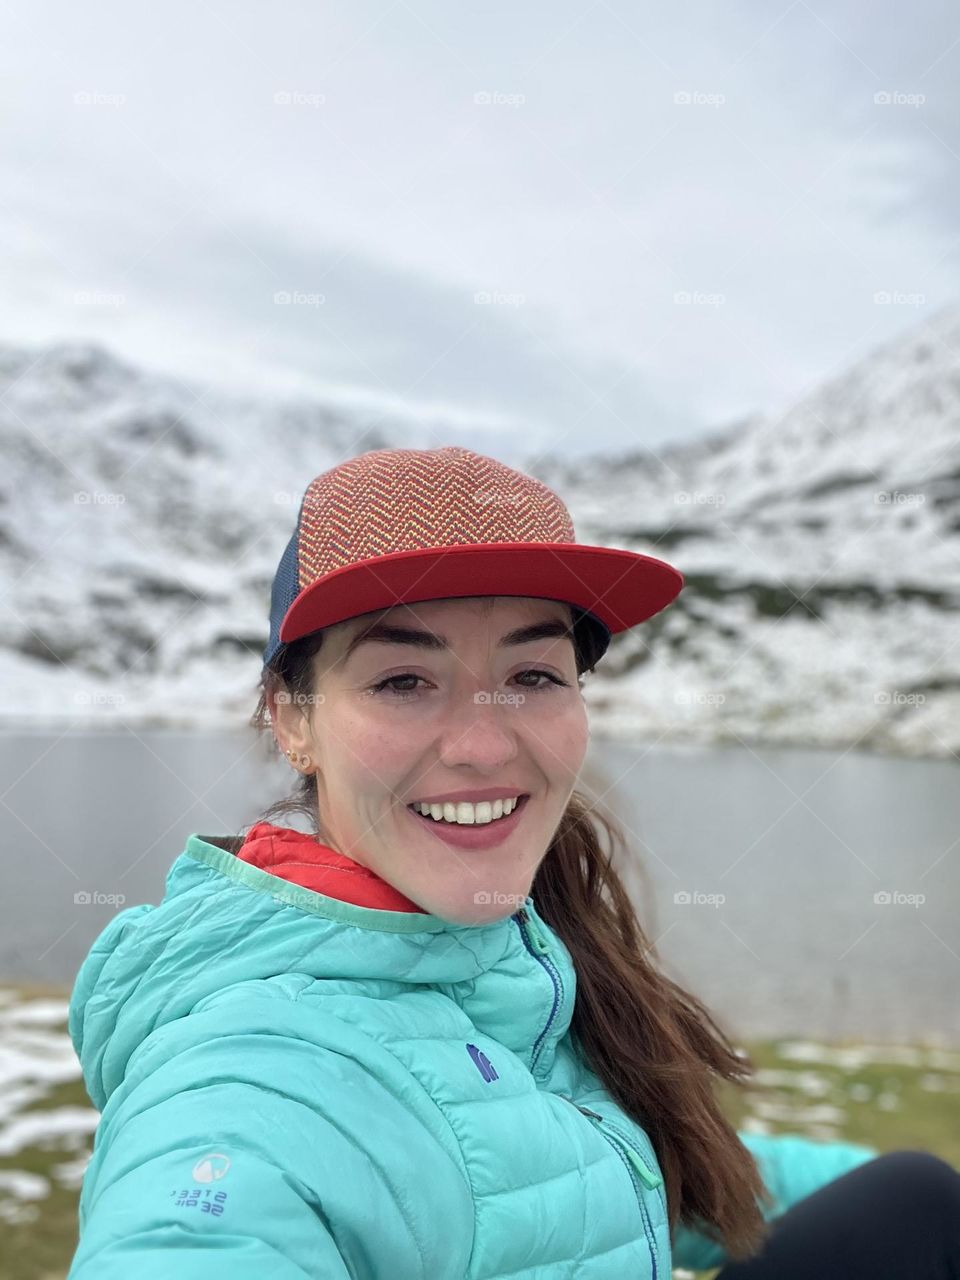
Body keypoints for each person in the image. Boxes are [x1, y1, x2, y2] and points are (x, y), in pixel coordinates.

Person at [66, 446, 960, 1279]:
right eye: (403, 681)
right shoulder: (249, 1081)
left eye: (533, 676)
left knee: (913, 1201)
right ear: (293, 718)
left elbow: (622, 1166)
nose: (486, 745)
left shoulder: (504, 970)